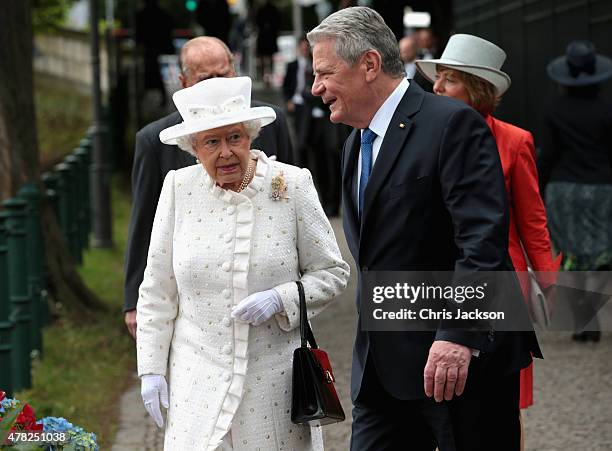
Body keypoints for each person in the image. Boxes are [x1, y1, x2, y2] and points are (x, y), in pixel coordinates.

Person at [308, 7, 540, 450]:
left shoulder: (452, 124)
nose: (316, 87)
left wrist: (456, 336)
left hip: (458, 365)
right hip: (381, 369)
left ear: (370, 65)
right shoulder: (355, 142)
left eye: (325, 73)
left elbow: (481, 243)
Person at [136, 76, 350, 450]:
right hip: (196, 380)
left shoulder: (292, 184)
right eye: (211, 142)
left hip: (272, 384)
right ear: (193, 148)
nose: (225, 153)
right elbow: (157, 288)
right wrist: (151, 369)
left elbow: (332, 273)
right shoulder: (178, 189)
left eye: (234, 137)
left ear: (250, 136)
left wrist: (283, 298)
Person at [415, 33, 562, 446]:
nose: (436, 88)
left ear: (476, 89)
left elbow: (532, 219)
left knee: (500, 401)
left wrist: (548, 282)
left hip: (501, 282)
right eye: (437, 78)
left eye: (449, 80)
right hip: (440, 280)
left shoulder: (515, 141)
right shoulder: (426, 135)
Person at [123, 37, 294, 338]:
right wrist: (133, 301)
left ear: (234, 69)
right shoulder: (154, 140)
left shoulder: (270, 121)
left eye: (223, 74)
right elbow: (145, 223)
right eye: (205, 79)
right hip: (195, 289)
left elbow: (290, 192)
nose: (216, 85)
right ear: (183, 81)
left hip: (266, 281)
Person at [539, 40, 612, 343]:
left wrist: (538, 189)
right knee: (600, 254)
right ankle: (594, 307)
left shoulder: (554, 109)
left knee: (570, 255)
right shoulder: (607, 109)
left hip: (564, 190)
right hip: (601, 190)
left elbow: (549, 155)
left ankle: (584, 319)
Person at [135, 0, 175, 107]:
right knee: (151, 72)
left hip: (151, 47)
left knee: (150, 71)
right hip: (154, 47)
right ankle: (156, 97)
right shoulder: (160, 13)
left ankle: (149, 98)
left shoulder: (143, 14)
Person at [255, 0, 280, 86]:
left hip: (268, 37)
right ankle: (266, 76)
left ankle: (267, 76)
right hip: (267, 37)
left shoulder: (264, 9)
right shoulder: (267, 9)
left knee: (268, 58)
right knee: (265, 58)